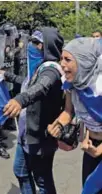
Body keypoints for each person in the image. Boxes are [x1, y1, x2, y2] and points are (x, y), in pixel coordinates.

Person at [1, 28, 65, 194]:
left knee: (42, 180)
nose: (31, 46)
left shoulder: (51, 70)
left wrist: (19, 100)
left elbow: (40, 87)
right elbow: (28, 84)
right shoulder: (38, 68)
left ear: (48, 47)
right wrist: (7, 75)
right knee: (21, 171)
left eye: (37, 43)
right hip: (27, 133)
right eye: (31, 42)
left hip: (40, 137)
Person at [47, 37, 102, 194]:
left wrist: (98, 152)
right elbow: (68, 112)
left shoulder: (99, 87)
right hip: (91, 146)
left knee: (91, 188)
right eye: (61, 58)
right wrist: (57, 126)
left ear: (83, 62)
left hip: (97, 149)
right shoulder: (71, 84)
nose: (62, 64)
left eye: (68, 59)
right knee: (86, 186)